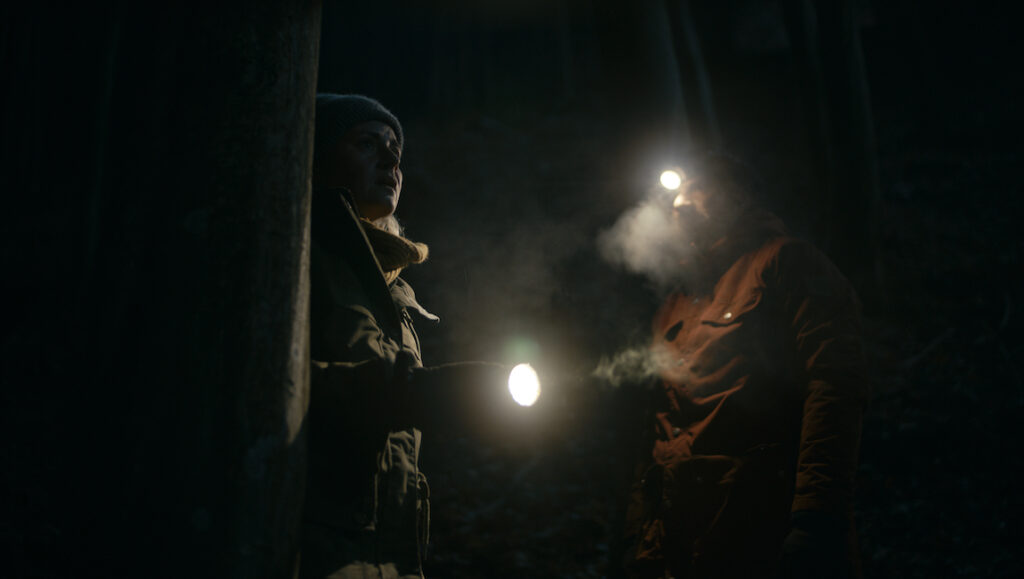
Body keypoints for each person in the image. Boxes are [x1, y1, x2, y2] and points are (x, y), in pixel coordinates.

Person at [621, 154, 868, 579]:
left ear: (738, 197)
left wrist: (815, 516)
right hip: (680, 549)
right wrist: (638, 539)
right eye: (677, 194)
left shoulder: (785, 264)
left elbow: (835, 383)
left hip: (759, 538)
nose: (682, 202)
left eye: (699, 188)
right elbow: (657, 428)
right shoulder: (676, 304)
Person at [301, 94, 513, 579]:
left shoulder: (395, 294)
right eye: (367, 143)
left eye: (395, 147)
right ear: (317, 154)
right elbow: (255, 384)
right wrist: (407, 394)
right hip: (309, 553)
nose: (392, 160)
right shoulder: (298, 251)